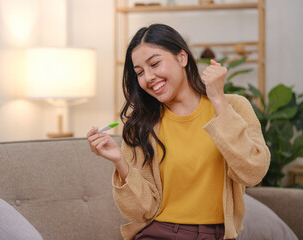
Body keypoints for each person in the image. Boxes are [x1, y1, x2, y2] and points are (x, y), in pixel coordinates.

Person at [87, 23, 270, 240]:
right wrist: (120, 162)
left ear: (182, 58)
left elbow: (253, 172)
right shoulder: (141, 125)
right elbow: (140, 211)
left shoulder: (234, 107)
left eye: (154, 64)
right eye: (140, 72)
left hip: (216, 234)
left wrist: (218, 100)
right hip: (158, 233)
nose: (148, 77)